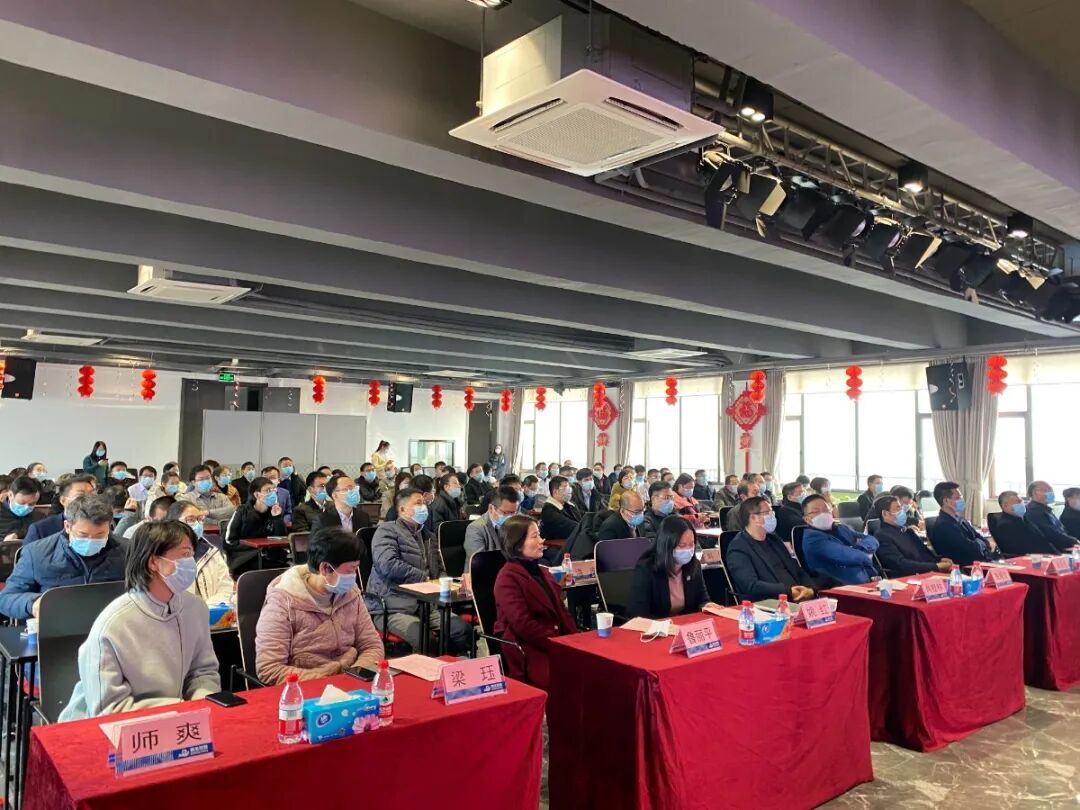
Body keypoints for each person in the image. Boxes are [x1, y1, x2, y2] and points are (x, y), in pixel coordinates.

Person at [59, 520, 220, 721]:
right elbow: (109, 709)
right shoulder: (113, 625)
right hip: (110, 727)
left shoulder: (195, 608)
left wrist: (201, 703)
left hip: (177, 719)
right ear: (153, 562)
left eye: (191, 554)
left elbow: (203, 672)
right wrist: (179, 709)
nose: (191, 563)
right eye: (184, 554)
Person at [256, 527, 383, 684]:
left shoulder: (351, 593)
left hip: (351, 678)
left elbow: (372, 646)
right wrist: (327, 682)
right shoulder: (283, 602)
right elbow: (269, 668)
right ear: (324, 568)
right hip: (308, 685)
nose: (353, 577)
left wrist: (353, 676)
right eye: (350, 571)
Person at [365, 488, 469, 653]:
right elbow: (387, 564)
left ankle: (447, 664)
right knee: (425, 639)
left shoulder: (428, 536)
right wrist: (423, 578)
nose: (424, 507)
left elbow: (439, 570)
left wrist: (448, 584)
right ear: (402, 509)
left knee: (462, 630)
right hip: (394, 607)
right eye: (418, 503)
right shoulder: (387, 530)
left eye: (424, 503)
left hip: (427, 605)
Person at [0, 493, 126, 621]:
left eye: (100, 535)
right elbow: (6, 598)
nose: (91, 540)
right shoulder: (36, 553)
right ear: (67, 526)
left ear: (109, 527)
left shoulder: (128, 551)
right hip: (56, 623)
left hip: (112, 623)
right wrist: (33, 603)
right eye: (83, 535)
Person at [493, 514, 576, 689]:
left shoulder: (543, 572)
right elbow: (522, 624)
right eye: (535, 536)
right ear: (517, 544)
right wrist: (556, 643)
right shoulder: (507, 578)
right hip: (528, 646)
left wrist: (575, 640)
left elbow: (561, 611)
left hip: (555, 641)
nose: (541, 541)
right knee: (568, 677)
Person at [726, 497, 817, 602]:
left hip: (799, 597)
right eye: (768, 513)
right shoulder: (738, 548)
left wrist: (810, 588)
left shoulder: (774, 540)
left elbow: (797, 570)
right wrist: (788, 591)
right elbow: (751, 586)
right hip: (770, 602)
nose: (773, 516)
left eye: (772, 512)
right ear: (753, 518)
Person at [627, 516, 716, 619]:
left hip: (685, 624)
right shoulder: (646, 569)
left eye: (691, 544)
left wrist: (708, 606)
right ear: (667, 545)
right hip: (656, 626)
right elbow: (638, 614)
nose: (688, 550)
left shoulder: (694, 565)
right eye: (682, 545)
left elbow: (702, 599)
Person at [801, 494, 879, 584]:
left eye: (825, 509)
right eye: (816, 511)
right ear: (807, 519)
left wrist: (860, 548)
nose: (823, 514)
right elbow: (852, 556)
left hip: (868, 579)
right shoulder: (812, 539)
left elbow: (872, 539)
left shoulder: (841, 528)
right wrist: (866, 553)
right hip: (840, 585)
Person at [166, 501, 233, 604]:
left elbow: (226, 587)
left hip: (212, 609)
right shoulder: (164, 556)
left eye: (199, 519)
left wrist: (207, 607)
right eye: (191, 520)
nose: (197, 524)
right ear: (174, 523)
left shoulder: (211, 551)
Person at [222, 477, 289, 576]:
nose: (272, 493)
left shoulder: (274, 511)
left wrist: (277, 518)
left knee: (285, 568)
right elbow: (228, 541)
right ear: (257, 495)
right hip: (244, 558)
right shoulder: (242, 511)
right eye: (268, 490)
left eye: (273, 490)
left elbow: (281, 539)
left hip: (268, 557)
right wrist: (255, 547)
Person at [872, 495, 953, 576]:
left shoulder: (907, 531)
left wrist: (939, 560)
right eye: (898, 508)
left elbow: (924, 554)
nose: (902, 511)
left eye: (901, 507)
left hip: (926, 572)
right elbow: (900, 564)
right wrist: (935, 566)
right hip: (909, 576)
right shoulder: (882, 536)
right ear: (885, 514)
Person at [929, 482, 998, 566]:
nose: (962, 500)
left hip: (981, 561)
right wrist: (980, 544)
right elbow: (970, 549)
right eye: (958, 498)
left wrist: (980, 544)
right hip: (965, 567)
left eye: (961, 497)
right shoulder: (944, 525)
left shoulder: (960, 519)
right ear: (946, 501)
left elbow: (981, 539)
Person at [24, 474, 97, 543]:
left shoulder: (101, 526)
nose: (89, 499)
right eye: (80, 495)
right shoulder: (40, 529)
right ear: (63, 500)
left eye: (92, 494)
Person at [989, 491, 1057, 556]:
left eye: (1022, 501)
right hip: (1031, 558)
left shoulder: (1025, 519)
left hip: (1047, 555)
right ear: (1006, 506)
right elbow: (1023, 548)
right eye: (1018, 502)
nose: (1022, 504)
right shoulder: (1005, 526)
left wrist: (1056, 554)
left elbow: (1042, 539)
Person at [465, 486, 521, 559]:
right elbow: (478, 561)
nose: (510, 517)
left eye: (513, 512)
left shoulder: (517, 524)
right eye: (505, 513)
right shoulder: (475, 529)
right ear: (491, 508)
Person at [1023, 481, 1077, 552]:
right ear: (1035, 493)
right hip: (1051, 551)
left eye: (1051, 490)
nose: (1051, 493)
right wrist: (1075, 541)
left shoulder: (1045, 509)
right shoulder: (1034, 511)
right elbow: (1051, 534)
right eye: (1047, 490)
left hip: (1062, 547)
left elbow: (1060, 530)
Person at [538, 476, 581, 540]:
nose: (570, 489)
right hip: (557, 543)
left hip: (573, 539)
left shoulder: (570, 505)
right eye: (565, 487)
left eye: (569, 486)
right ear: (555, 492)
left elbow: (581, 521)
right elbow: (571, 526)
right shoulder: (549, 511)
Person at [0, 476, 43, 540]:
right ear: (10, 495)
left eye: (31, 504)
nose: (26, 507)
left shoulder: (39, 517)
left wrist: (18, 534)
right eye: (22, 503)